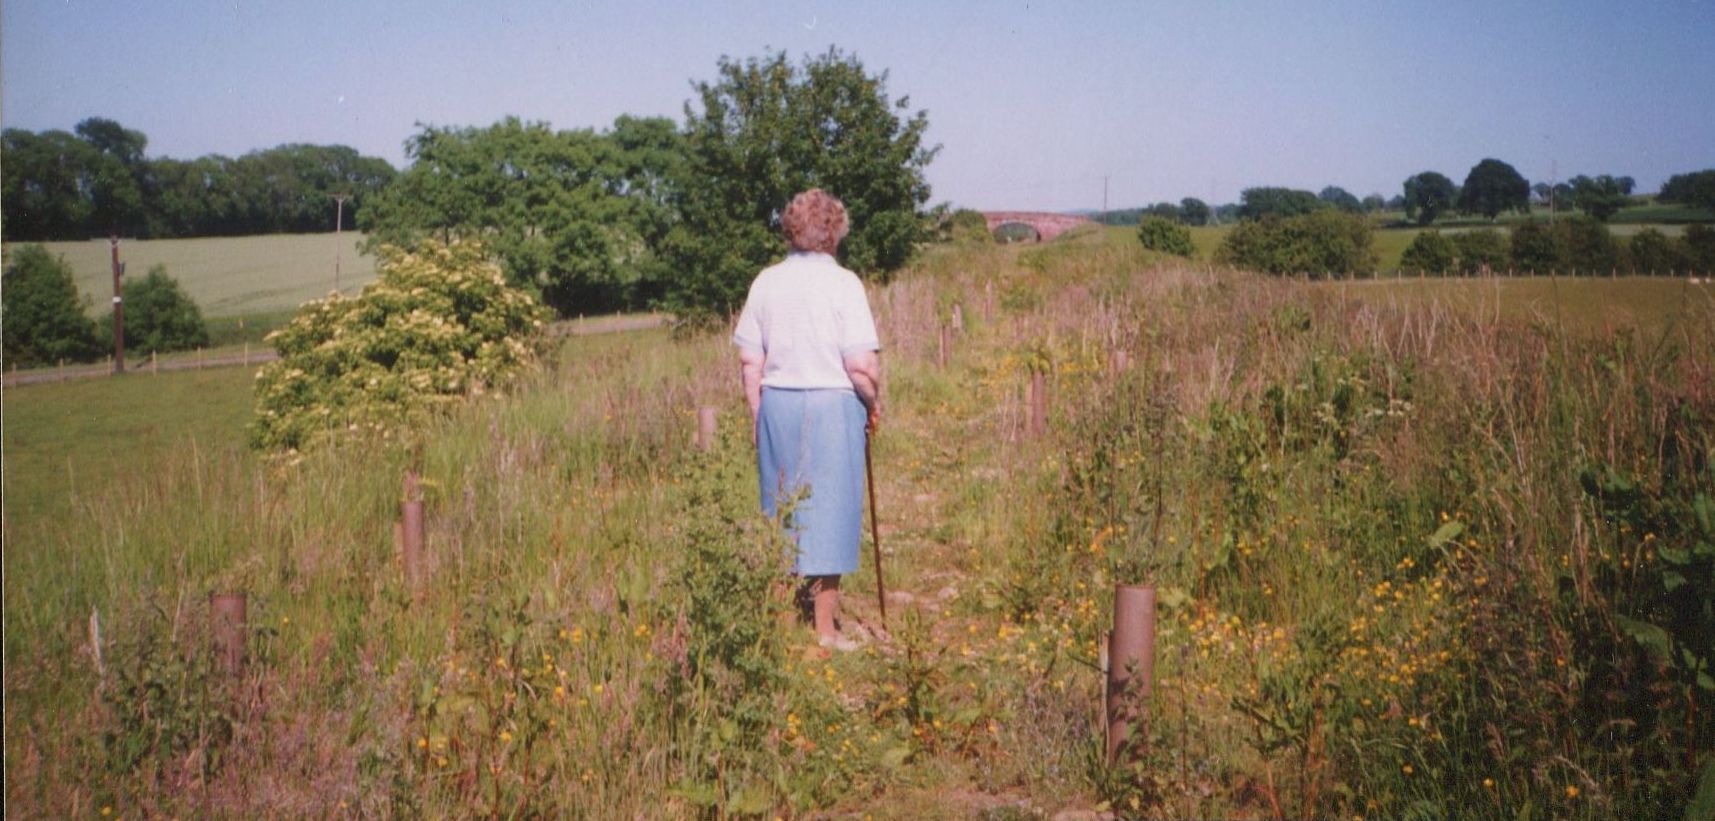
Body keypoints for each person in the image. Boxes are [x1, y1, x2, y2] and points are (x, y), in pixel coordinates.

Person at [733, 189, 882, 651]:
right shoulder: (844, 285)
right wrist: (874, 403)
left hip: (779, 400)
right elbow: (860, 364)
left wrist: (758, 416)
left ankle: (779, 620)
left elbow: (749, 361)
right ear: (834, 233)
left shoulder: (766, 282)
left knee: (783, 509)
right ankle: (823, 629)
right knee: (832, 512)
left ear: (791, 229)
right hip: (833, 404)